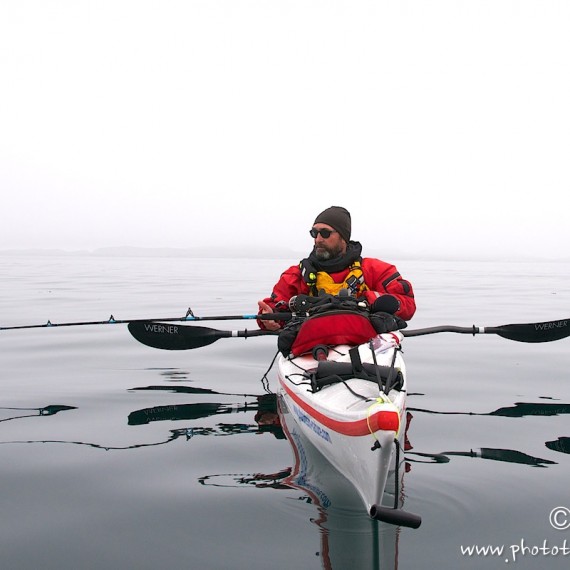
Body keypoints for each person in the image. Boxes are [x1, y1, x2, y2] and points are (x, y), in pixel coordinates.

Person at [257, 205, 416, 331]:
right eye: (314, 233)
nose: (318, 239)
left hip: (366, 348)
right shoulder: (296, 275)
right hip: (311, 349)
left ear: (343, 237)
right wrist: (268, 318)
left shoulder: (376, 270)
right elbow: (272, 308)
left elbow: (408, 305)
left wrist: (368, 301)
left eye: (325, 233)